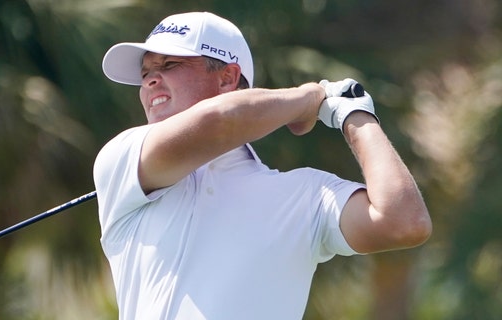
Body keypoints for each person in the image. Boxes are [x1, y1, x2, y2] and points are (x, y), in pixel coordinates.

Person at [93, 11, 432, 320]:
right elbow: (220, 121)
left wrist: (355, 116)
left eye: (169, 65)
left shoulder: (305, 195)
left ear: (227, 79)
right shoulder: (123, 159)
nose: (150, 81)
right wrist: (308, 98)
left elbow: (404, 222)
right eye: (146, 73)